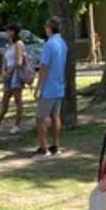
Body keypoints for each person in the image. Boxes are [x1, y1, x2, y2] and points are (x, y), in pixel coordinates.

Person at [34, 17, 69, 157]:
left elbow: (43, 67)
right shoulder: (62, 43)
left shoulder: (49, 44)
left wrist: (38, 87)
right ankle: (56, 145)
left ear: (50, 28)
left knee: (40, 118)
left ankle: (43, 148)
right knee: (55, 116)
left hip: (48, 87)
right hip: (59, 85)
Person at [0, 24, 27, 135]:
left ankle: (17, 125)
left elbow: (18, 62)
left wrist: (8, 73)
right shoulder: (9, 45)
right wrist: (4, 72)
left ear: (13, 32)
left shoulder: (18, 44)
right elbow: (6, 60)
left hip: (16, 75)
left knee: (17, 100)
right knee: (5, 100)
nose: (6, 33)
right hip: (8, 75)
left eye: (8, 31)